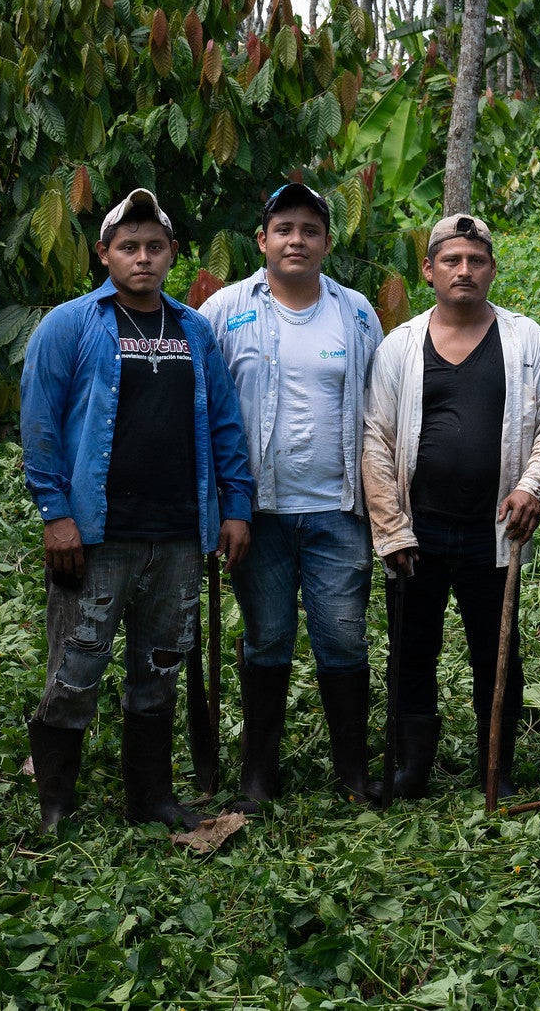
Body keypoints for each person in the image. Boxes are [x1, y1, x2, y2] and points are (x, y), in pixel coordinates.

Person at [19, 188, 253, 833]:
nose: (143, 258)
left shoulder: (193, 330)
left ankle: (149, 799)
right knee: (76, 665)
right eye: (129, 247)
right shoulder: (70, 326)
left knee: (159, 667)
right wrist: (55, 513)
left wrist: (235, 507)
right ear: (104, 254)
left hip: (178, 532)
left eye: (155, 247)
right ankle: (57, 806)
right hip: (98, 533)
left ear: (173, 253)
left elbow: (225, 427)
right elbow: (39, 425)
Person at [360, 214, 540, 800]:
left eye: (476, 260)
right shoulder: (400, 346)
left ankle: (496, 768)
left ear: (492, 270)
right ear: (428, 270)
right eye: (451, 260)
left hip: (494, 529)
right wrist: (390, 529)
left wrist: (533, 485)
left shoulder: (525, 339)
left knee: (496, 647)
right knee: (411, 649)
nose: (464, 270)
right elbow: (376, 436)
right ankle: (410, 769)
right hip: (418, 529)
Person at [201, 183, 384, 806]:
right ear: (263, 240)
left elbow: (375, 413)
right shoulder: (226, 311)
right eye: (284, 229)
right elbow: (207, 411)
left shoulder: (357, 313)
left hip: (339, 509)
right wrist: (222, 506)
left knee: (342, 636)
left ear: (327, 242)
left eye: (310, 229)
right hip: (259, 514)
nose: (296, 240)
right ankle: (259, 775)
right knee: (268, 636)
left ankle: (352, 772)